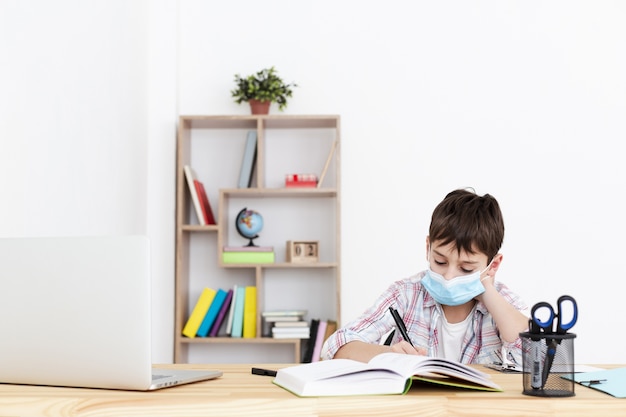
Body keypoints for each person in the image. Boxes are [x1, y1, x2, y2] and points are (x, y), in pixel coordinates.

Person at [321, 188, 529, 366]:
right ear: (428, 248)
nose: (449, 277)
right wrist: (389, 356)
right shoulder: (405, 294)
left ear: (493, 265)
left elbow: (539, 359)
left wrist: (488, 293)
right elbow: (335, 345)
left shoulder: (502, 303)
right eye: (440, 262)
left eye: (466, 269)